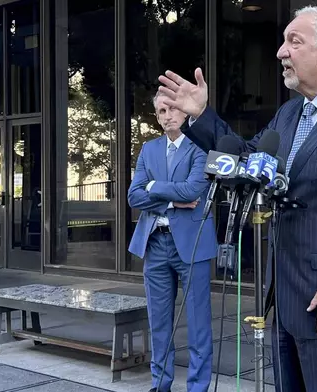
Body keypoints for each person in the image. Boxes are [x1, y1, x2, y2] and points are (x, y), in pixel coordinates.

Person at [157, 6, 317, 392]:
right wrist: (202, 115)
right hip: (285, 305)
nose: (280, 52)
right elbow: (245, 160)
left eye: (294, 41)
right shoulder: (289, 114)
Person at [127, 91, 218, 392]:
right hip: (155, 244)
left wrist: (154, 186)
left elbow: (193, 190)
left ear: (183, 110)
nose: (168, 116)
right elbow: (133, 195)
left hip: (192, 245)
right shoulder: (148, 149)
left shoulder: (200, 146)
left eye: (172, 109)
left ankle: (197, 387)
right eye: (161, 111)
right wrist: (171, 202)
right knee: (159, 322)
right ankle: (160, 384)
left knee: (198, 324)